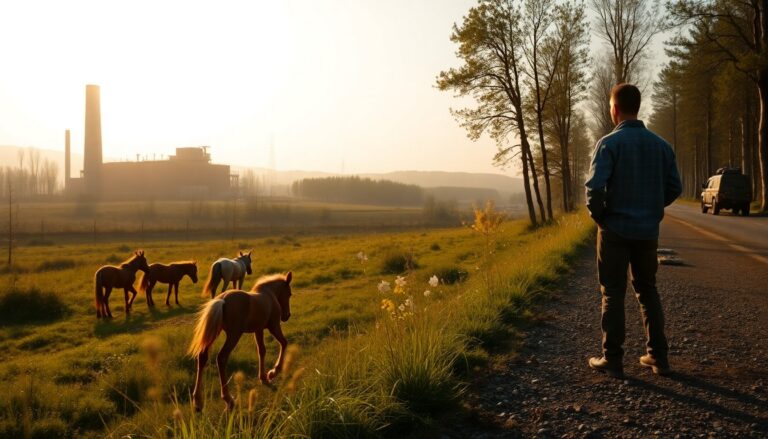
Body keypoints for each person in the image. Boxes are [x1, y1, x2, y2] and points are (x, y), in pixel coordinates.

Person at [584, 83, 683, 378]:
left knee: (613, 292)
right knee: (647, 290)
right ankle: (658, 358)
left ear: (614, 109)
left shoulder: (609, 144)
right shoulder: (662, 146)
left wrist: (600, 217)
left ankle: (612, 359)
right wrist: (652, 207)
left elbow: (593, 187)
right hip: (646, 231)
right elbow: (675, 187)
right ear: (637, 107)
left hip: (613, 229)